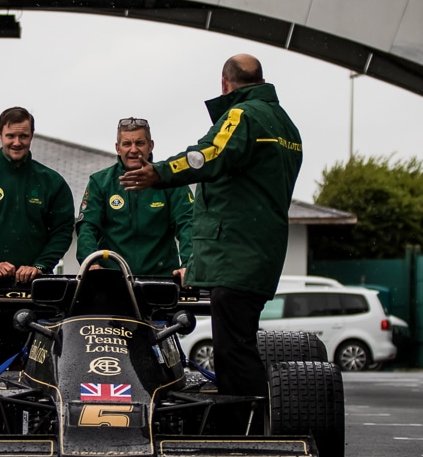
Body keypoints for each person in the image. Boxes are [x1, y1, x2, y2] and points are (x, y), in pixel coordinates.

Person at [120, 54, 302, 406]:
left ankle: (243, 431)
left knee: (233, 351)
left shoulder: (242, 115)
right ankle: (259, 420)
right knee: (241, 342)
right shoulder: (285, 125)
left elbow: (209, 154)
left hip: (236, 252)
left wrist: (160, 174)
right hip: (263, 251)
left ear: (225, 83)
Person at [0, 106, 75, 364]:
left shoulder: (51, 181)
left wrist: (40, 265)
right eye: (11, 136)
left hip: (37, 290)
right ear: (0, 134)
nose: (17, 142)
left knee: (38, 364)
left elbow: (63, 231)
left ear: (32, 135)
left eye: (24, 136)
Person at [75, 117, 193, 278]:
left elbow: (188, 225)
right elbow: (87, 227)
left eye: (139, 143)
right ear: (118, 148)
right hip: (112, 280)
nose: (133, 149)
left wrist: (189, 265)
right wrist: (90, 263)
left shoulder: (171, 181)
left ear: (150, 145)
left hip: (161, 280)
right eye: (126, 144)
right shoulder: (100, 182)